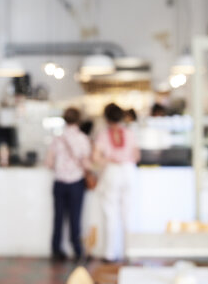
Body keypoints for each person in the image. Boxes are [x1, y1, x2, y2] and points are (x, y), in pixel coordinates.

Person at [93, 103, 140, 262]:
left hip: (112, 171)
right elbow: (136, 155)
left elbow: (96, 157)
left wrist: (108, 159)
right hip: (128, 171)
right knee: (128, 214)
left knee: (110, 213)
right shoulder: (130, 132)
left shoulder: (103, 135)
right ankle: (130, 251)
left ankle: (109, 254)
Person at [45, 107, 91, 262]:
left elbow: (49, 163)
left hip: (59, 182)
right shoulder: (83, 139)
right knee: (75, 218)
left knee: (58, 218)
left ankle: (56, 249)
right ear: (79, 120)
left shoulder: (56, 138)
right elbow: (86, 164)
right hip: (76, 183)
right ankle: (77, 251)